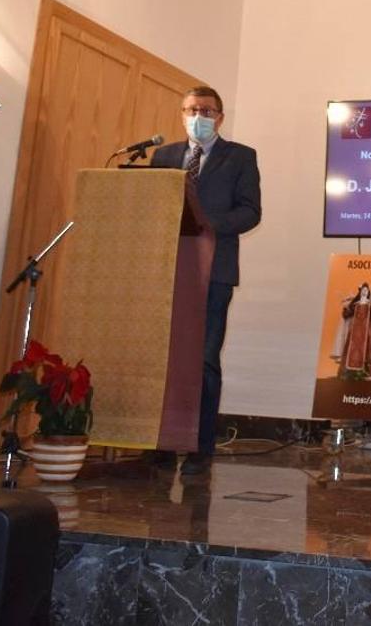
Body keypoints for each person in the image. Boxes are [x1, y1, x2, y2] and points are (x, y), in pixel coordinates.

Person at [151, 86, 261, 474]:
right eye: (191, 109)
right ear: (182, 113)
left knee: (204, 358)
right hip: (169, 271)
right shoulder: (163, 156)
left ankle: (200, 446)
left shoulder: (240, 157)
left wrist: (207, 225)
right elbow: (152, 207)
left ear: (220, 117)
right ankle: (162, 441)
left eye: (206, 110)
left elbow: (250, 212)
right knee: (165, 357)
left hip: (214, 271)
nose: (198, 115)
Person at [331, 283, 371, 379]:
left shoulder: (370, 304)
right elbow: (346, 314)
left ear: (368, 293)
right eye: (363, 290)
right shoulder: (355, 304)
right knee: (350, 348)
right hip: (354, 332)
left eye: (366, 291)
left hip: (367, 331)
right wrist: (346, 308)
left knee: (367, 349)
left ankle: (366, 372)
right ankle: (349, 372)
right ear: (360, 292)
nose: (364, 292)